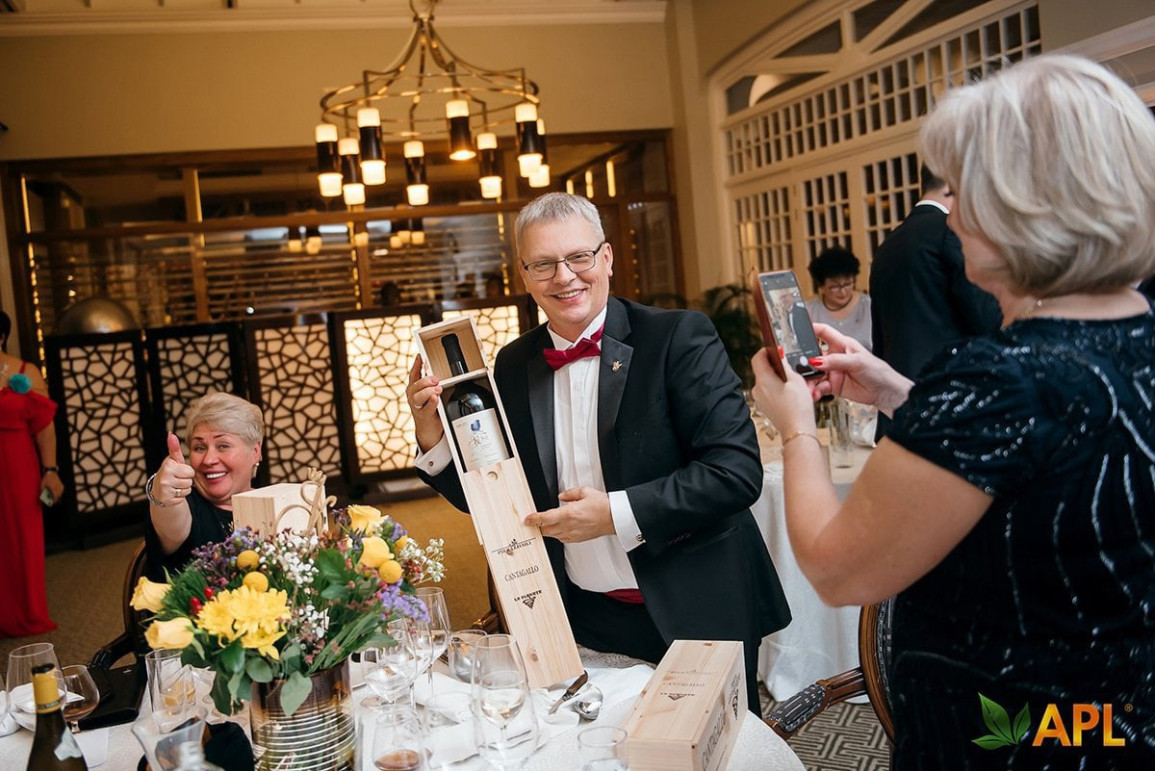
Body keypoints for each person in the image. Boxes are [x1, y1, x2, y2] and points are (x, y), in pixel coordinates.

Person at [752, 55, 1155, 767]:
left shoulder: (999, 378)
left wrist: (795, 425)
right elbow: (1049, 455)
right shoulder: (1127, 336)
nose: (953, 213)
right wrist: (896, 391)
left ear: (1021, 209)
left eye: (964, 189)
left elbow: (839, 570)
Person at [408, 192, 789, 712]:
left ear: (606, 258)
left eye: (578, 257)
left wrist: (613, 513)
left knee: (714, 746)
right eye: (544, 264)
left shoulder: (678, 337)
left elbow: (735, 472)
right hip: (581, 617)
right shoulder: (514, 364)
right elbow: (498, 499)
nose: (564, 277)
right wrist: (431, 435)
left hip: (695, 604)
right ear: (524, 276)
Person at [869, 163, 1001, 382]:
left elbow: (880, 336)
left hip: (897, 381)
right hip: (946, 380)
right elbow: (984, 315)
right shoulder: (951, 231)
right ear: (951, 184)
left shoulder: (888, 245)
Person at [144, 391, 263, 581]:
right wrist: (162, 495)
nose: (209, 460)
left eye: (223, 446)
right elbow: (169, 518)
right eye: (199, 448)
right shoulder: (188, 506)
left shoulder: (272, 502)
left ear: (255, 452)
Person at [0, 311, 66, 637]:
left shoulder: (26, 372)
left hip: (16, 466)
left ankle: (27, 614)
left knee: (22, 538)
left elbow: (45, 428)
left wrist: (50, 470)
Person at [805, 246, 872, 349]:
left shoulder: (869, 306)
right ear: (821, 287)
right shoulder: (810, 311)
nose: (843, 291)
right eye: (835, 287)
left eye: (847, 284)